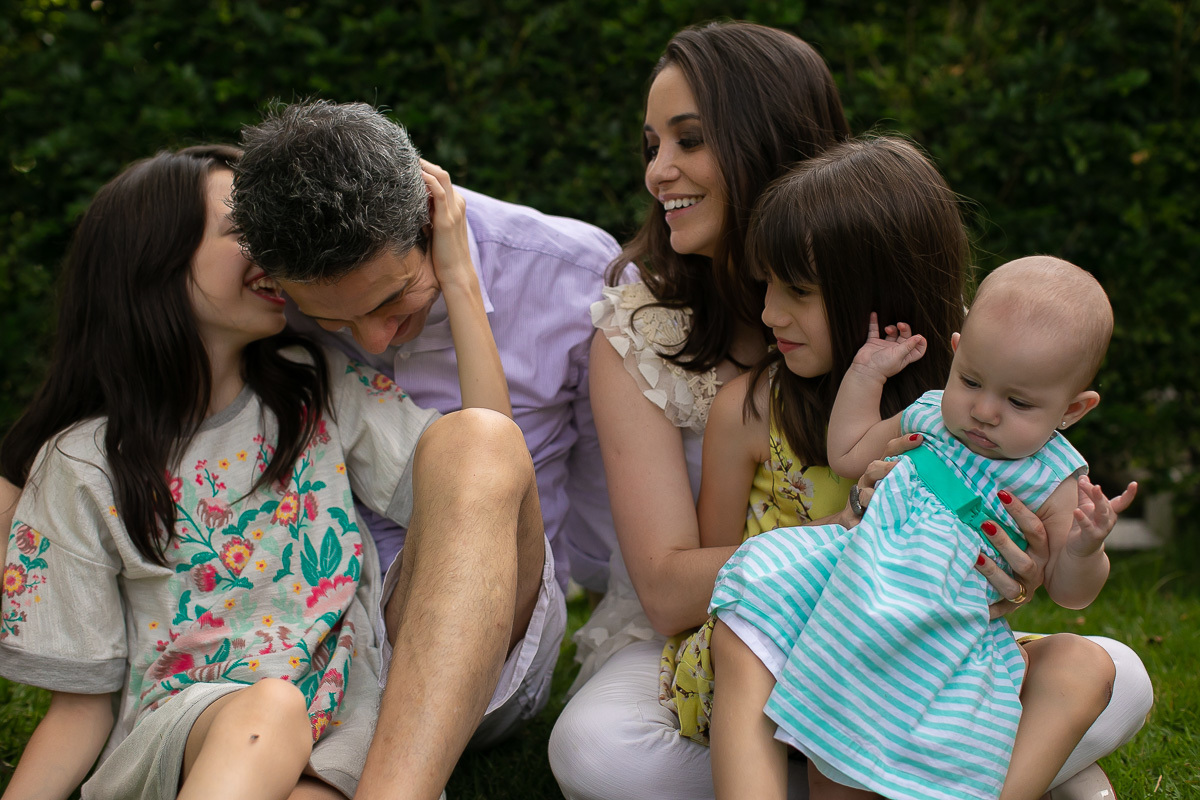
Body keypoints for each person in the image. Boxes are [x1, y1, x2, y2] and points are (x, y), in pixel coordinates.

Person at [549, 21, 1153, 800]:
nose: (659, 172)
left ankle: (924, 767)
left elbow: (1032, 559)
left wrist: (1029, 560)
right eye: (650, 145)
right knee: (602, 754)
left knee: (1118, 677)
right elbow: (691, 585)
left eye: (689, 140)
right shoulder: (690, 361)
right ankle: (932, 773)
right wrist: (854, 532)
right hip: (772, 632)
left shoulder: (965, 377)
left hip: (925, 648)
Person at [0, 144, 520, 799]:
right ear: (151, 262)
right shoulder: (83, 463)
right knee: (269, 712)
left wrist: (459, 276)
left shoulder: (315, 390)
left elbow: (492, 469)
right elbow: (81, 708)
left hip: (336, 740)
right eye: (240, 231)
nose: (267, 248)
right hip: (179, 737)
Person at [695, 138, 1124, 800]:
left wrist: (1086, 548)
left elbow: (1069, 592)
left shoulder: (1053, 476)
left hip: (944, 628)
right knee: (769, 596)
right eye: (972, 381)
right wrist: (866, 376)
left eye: (1017, 402)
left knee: (1088, 673)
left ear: (1073, 409)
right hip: (858, 593)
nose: (982, 412)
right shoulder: (930, 413)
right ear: (955, 352)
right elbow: (851, 452)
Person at [230, 100, 616, 798]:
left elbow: (566, 497)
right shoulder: (262, 287)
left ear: (429, 220)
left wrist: (460, 284)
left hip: (499, 644)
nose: (374, 340)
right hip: (316, 639)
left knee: (475, 445)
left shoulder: (573, 274)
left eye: (394, 300)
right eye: (333, 321)